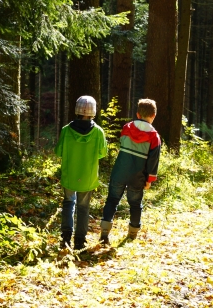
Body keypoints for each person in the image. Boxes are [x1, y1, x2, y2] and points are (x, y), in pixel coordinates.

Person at [100, 98, 160, 244]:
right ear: (154, 115)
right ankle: (132, 234)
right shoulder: (154, 136)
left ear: (138, 114)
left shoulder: (127, 128)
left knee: (112, 201)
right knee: (135, 204)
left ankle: (104, 233)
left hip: (119, 172)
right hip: (137, 176)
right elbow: (153, 161)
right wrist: (149, 180)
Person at [55, 96, 107, 250]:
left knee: (69, 203)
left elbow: (58, 152)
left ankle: (65, 238)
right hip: (88, 176)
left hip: (69, 175)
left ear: (77, 110)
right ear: (93, 112)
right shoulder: (98, 132)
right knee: (84, 208)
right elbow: (102, 153)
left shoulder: (66, 130)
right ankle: (80, 241)